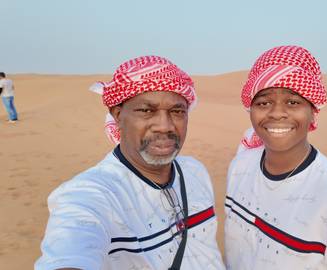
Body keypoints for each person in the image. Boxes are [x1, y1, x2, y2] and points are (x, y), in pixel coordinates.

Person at [36, 56, 225, 270]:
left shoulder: (195, 171)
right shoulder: (90, 194)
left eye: (177, 111)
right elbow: (70, 249)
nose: (164, 126)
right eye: (146, 110)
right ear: (118, 115)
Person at [224, 46, 327, 270]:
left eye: (293, 102)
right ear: (250, 109)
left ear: (313, 110)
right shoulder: (240, 166)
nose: (276, 113)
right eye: (263, 103)